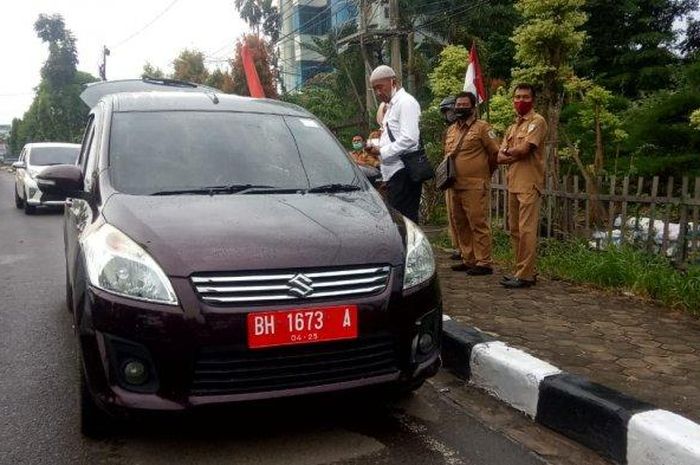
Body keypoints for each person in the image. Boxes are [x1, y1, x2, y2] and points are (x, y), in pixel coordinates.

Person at [497, 83, 548, 288]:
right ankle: (521, 270)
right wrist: (511, 152)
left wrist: (510, 152)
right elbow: (499, 156)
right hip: (513, 183)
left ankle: (525, 275)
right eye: (517, 97)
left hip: (529, 183)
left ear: (533, 99)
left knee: (527, 230)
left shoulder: (538, 122)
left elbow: (524, 150)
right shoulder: (512, 127)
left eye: (526, 97)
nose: (521, 101)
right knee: (515, 231)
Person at [444, 91, 500, 276]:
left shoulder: (483, 128)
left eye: (464, 105)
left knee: (478, 223)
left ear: (473, 107)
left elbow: (495, 154)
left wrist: (485, 173)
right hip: (454, 185)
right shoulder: (452, 130)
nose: (460, 108)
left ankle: (484, 262)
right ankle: (469, 259)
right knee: (460, 223)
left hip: (475, 184)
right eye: (458, 105)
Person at [365, 65, 423, 223]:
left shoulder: (406, 103)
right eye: (374, 89)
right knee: (398, 223)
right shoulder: (390, 106)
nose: (378, 92)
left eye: (380, 87)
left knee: (406, 223)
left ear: (393, 82)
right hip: (393, 174)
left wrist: (382, 151)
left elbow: (410, 138)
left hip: (404, 172)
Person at [439, 96, 462, 261]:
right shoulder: (448, 131)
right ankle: (459, 247)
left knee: (467, 218)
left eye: (451, 111)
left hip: (466, 179)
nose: (450, 114)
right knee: (453, 215)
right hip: (449, 178)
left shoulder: (470, 128)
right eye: (446, 112)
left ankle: (470, 252)